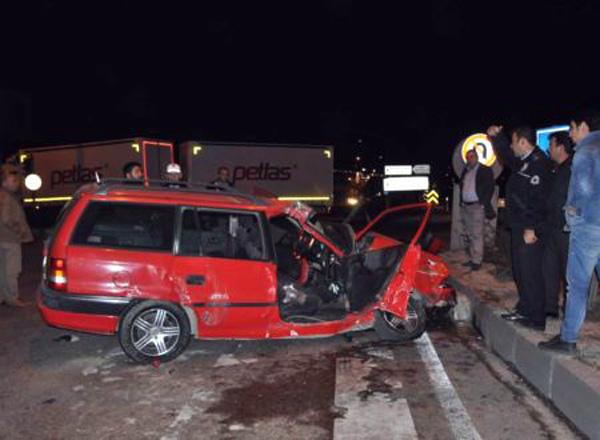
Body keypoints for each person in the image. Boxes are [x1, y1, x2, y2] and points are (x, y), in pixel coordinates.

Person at [540, 110, 600, 354]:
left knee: (576, 285)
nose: (570, 135)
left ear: (583, 127)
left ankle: (568, 339)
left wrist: (571, 219)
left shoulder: (586, 151)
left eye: (572, 129)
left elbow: (582, 193)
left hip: (588, 227)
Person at [488, 125, 552, 331]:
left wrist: (531, 228)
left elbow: (538, 199)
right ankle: (525, 309)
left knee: (530, 272)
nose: (511, 146)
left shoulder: (539, 163)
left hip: (529, 228)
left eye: (513, 142)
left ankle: (536, 318)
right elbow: (508, 158)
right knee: (520, 271)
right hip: (518, 225)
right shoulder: (525, 162)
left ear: (523, 142)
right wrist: (498, 138)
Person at [541, 131, 573, 319]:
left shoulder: (573, 169)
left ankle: (569, 311)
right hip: (551, 228)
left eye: (551, 145)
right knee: (549, 269)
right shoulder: (556, 169)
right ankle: (550, 307)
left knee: (568, 273)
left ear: (560, 147)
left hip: (567, 230)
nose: (549, 149)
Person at [0, 166, 34, 307]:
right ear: (4, 182)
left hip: (2, 239)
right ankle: (13, 298)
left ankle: (3, 296)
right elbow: (7, 219)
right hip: (10, 239)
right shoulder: (8, 198)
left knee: (2, 270)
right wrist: (20, 232)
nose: (16, 183)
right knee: (12, 270)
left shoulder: (3, 195)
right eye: (13, 180)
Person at [459, 148, 496, 271]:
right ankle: (473, 258)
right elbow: (462, 186)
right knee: (469, 233)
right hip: (466, 206)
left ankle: (477, 261)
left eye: (472, 156)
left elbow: (490, 187)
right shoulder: (466, 171)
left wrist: (483, 203)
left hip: (477, 206)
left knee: (477, 234)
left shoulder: (484, 169)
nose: (470, 159)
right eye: (468, 157)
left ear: (477, 157)